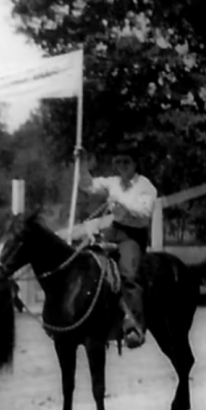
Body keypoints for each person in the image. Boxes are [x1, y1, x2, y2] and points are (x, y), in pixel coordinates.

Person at [77, 143, 157, 349]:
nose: (122, 166)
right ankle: (90, 315)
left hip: (133, 234)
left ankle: (134, 327)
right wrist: (82, 163)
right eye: (118, 162)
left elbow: (144, 213)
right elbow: (87, 186)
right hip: (114, 229)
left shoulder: (146, 187)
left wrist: (121, 200)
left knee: (129, 275)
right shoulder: (112, 182)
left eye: (126, 162)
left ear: (135, 164)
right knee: (89, 261)